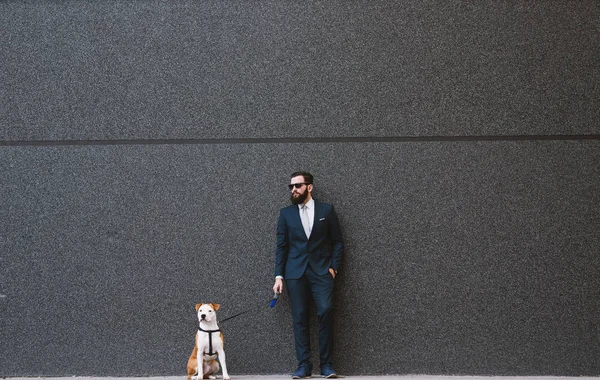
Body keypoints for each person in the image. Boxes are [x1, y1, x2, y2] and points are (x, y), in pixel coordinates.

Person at [273, 171, 344, 379]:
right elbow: (281, 247)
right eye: (291, 187)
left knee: (326, 310)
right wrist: (279, 276)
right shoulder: (286, 214)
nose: (293, 189)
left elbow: (338, 241)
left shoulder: (326, 210)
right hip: (295, 273)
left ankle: (326, 364)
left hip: (322, 272)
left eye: (298, 186)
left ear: (309, 187)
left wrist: (334, 268)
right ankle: (304, 364)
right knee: (300, 318)